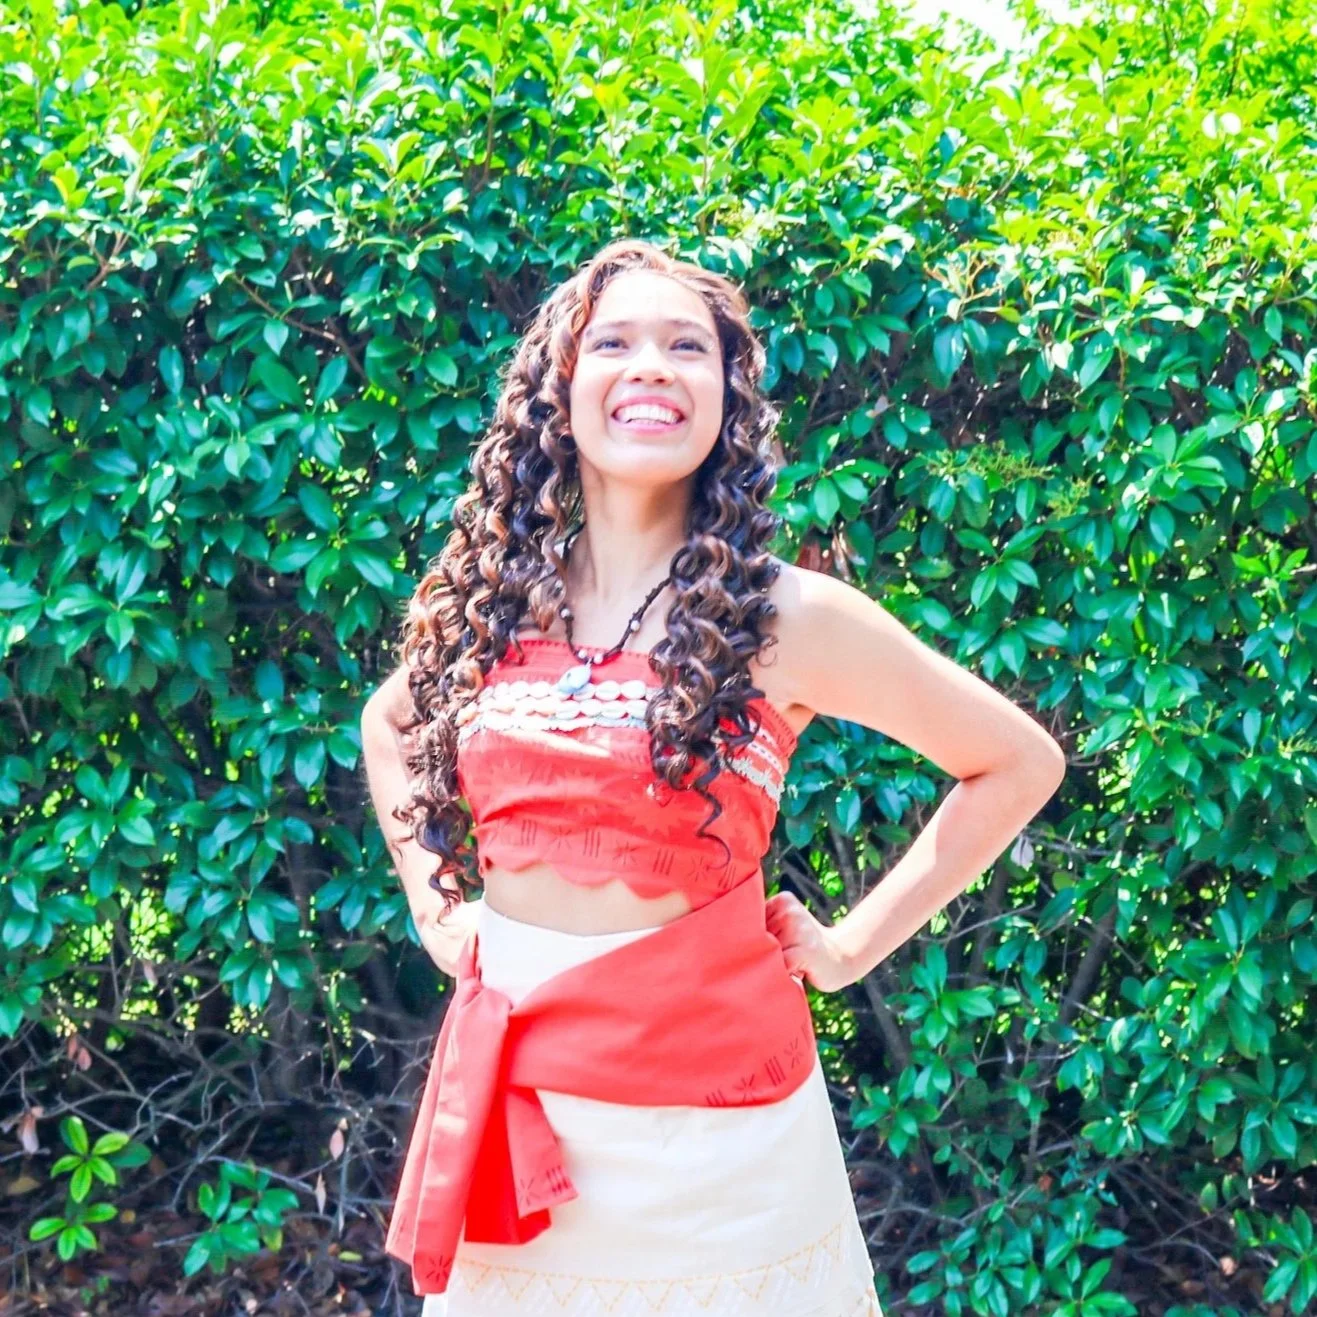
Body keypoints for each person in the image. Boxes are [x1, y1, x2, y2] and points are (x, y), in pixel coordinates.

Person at [359, 239, 1066, 1315]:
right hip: (518, 1123)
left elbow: (1016, 761)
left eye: (686, 347)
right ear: (561, 391)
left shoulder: (789, 617)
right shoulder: (496, 601)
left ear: (727, 401)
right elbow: (391, 720)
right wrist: (430, 901)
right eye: (614, 342)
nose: (650, 364)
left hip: (716, 1145)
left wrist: (849, 948)